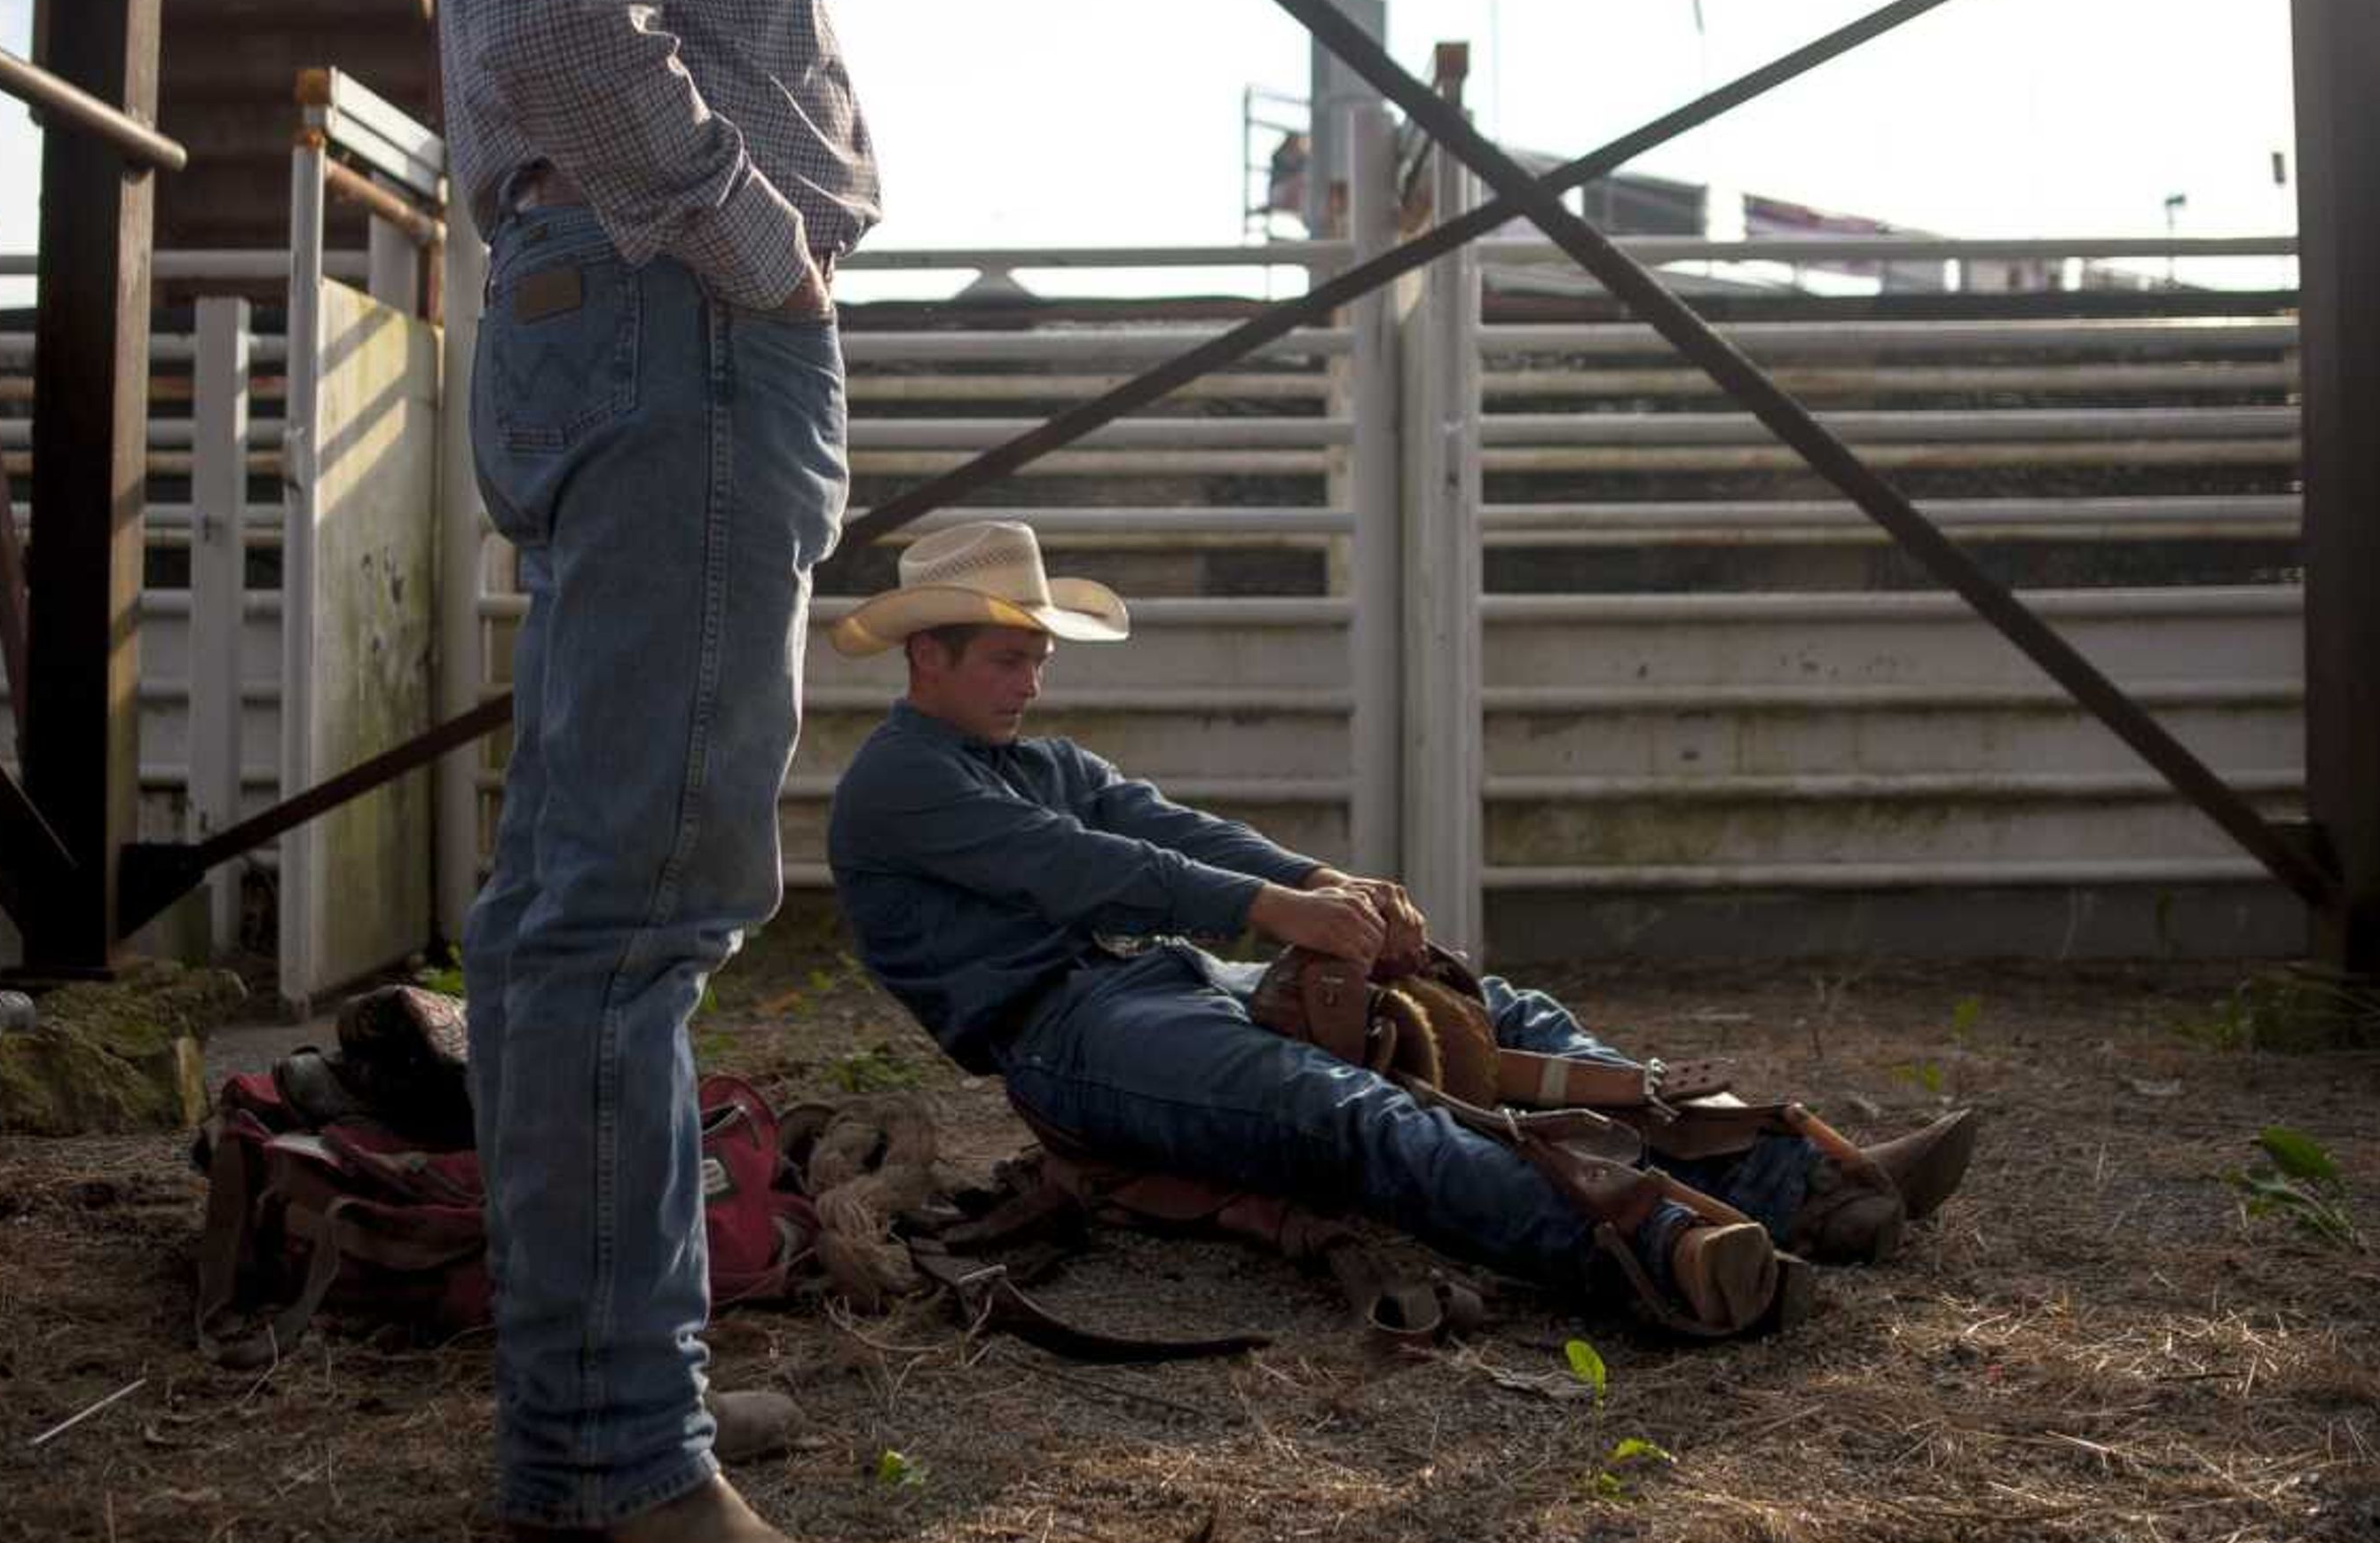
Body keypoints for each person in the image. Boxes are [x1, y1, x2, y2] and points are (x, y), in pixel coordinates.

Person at [432, 0, 1005, 1543]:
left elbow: (570, 28)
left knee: (617, 885)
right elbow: (574, 37)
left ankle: (617, 1386)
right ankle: (606, 1451)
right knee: (629, 902)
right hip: (676, 318)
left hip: (659, 316)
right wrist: (761, 255)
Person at [826, 522, 1981, 1338]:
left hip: (1163, 986)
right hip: (1064, 1039)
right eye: (1007, 656)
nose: (1030, 677)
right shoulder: (900, 784)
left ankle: (1800, 1182)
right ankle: (1654, 1245)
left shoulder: (1039, 760)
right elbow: (1086, 867)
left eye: (1037, 654)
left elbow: (1168, 824)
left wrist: (1336, 883)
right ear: (928, 655)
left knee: (1476, 1006)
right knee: (1343, 1109)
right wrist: (1282, 910)